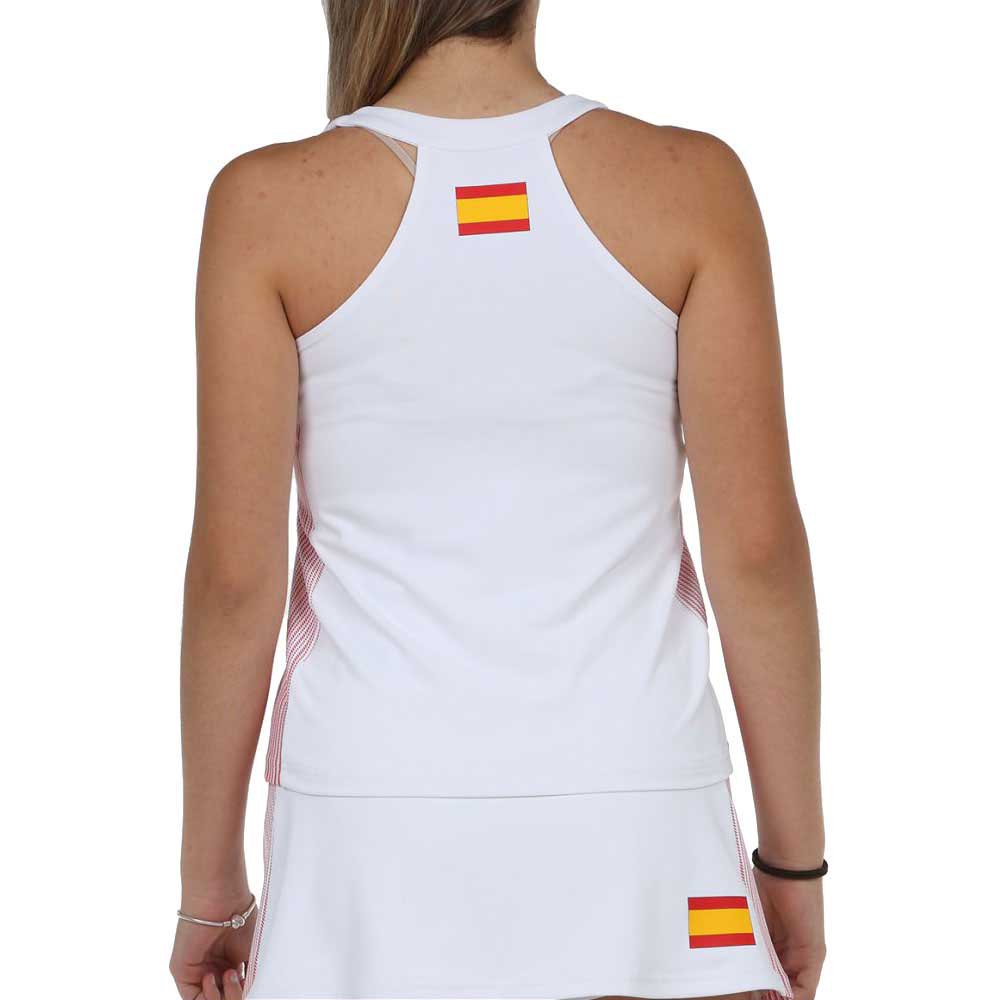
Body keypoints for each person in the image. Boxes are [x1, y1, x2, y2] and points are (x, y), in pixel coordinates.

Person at [169, 2, 827, 999]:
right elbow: (759, 555)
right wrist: (792, 864)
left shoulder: (267, 204)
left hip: (367, 821)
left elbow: (233, 583)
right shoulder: (690, 185)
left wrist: (212, 893)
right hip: (644, 816)